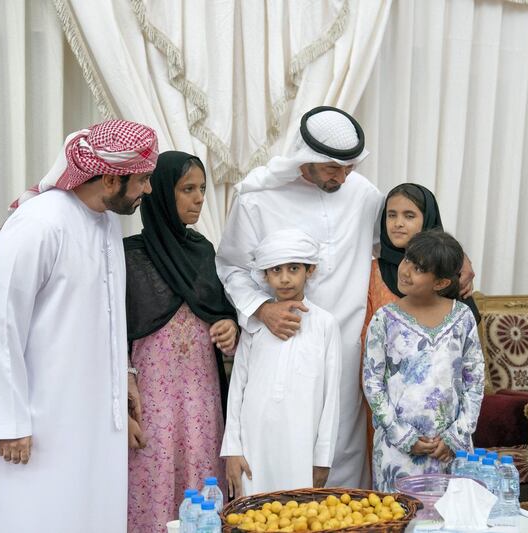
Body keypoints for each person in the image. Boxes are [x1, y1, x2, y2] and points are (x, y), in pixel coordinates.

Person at [0, 120, 159, 533]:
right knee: (34, 515)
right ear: (108, 178)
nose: (148, 191)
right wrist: (10, 420)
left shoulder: (105, 224)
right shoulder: (40, 224)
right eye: (141, 180)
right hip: (36, 421)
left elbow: (102, 317)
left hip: (89, 419)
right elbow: (1, 324)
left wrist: (124, 377)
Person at [216, 106, 384, 487]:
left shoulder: (363, 195)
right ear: (306, 160)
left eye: (349, 168)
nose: (342, 177)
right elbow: (231, 266)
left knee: (340, 451)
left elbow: (392, 247)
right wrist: (262, 310)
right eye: (332, 169)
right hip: (275, 343)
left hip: (344, 349)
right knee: (272, 456)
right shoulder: (257, 198)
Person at [123, 151, 238, 532]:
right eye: (187, 189)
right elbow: (113, 339)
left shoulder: (203, 251)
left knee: (201, 485)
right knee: (150, 487)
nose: (199, 198)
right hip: (151, 402)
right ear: (159, 194)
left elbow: (221, 310)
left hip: (201, 401)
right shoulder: (129, 257)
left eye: (202, 189)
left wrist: (228, 325)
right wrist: (123, 409)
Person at [360, 183, 481, 476]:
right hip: (395, 443)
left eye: (409, 215)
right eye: (391, 215)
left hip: (449, 446)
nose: (398, 223)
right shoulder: (383, 313)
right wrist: (401, 434)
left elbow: (473, 378)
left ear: (442, 280)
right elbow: (372, 380)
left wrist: (456, 435)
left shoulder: (460, 314)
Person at [220, 229, 341, 497]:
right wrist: (232, 450)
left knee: (296, 517)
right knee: (253, 516)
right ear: (265, 275)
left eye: (294, 268)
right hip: (254, 447)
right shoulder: (254, 323)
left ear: (310, 271)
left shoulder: (324, 324)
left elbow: (331, 398)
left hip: (301, 445)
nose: (284, 278)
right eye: (275, 269)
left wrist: (323, 458)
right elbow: (237, 388)